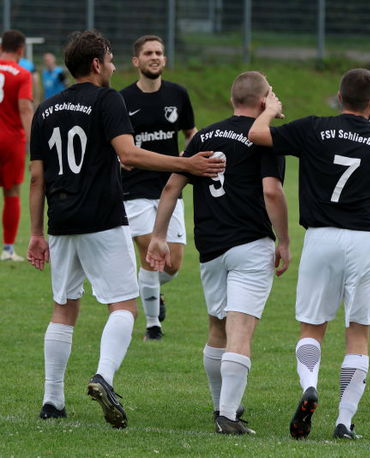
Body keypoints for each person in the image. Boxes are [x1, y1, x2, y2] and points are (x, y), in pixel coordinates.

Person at [27, 30, 224, 428]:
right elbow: (129, 155)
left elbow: (36, 178)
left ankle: (52, 400)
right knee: (124, 306)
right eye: (111, 59)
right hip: (101, 216)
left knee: (63, 309)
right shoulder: (108, 99)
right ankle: (104, 376)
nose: (114, 66)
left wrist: (34, 233)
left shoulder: (45, 109)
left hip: (60, 220)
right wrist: (186, 165)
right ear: (97, 64)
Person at [248, 68, 370, 440]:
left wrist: (269, 108)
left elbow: (256, 134)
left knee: (312, 327)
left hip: (320, 237)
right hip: (365, 240)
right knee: (358, 334)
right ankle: (345, 422)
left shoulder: (314, 127)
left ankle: (309, 387)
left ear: (339, 96)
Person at [147, 71, 290, 436]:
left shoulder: (204, 136)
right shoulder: (265, 139)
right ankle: (228, 416)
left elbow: (171, 187)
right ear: (263, 102)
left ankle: (220, 406)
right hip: (250, 242)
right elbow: (272, 193)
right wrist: (285, 240)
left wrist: (159, 235)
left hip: (210, 246)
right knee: (240, 330)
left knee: (217, 327)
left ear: (232, 101)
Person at [120, 35, 197, 341]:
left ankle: (152, 292)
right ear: (136, 61)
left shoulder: (178, 94)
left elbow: (192, 133)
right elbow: (110, 141)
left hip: (170, 188)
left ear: (164, 60)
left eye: (159, 53)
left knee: (172, 264)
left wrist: (188, 156)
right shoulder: (122, 99)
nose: (155, 57)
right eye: (148, 53)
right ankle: (153, 325)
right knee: (150, 254)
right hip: (134, 189)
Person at [0, 30, 33, 261]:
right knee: (11, 192)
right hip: (11, 140)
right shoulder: (22, 73)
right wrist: (34, 142)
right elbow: (24, 108)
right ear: (21, 50)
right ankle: (8, 249)